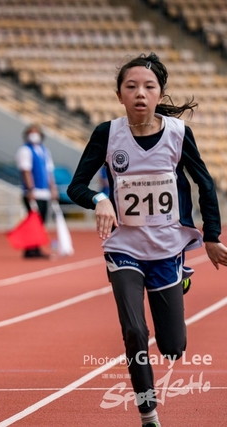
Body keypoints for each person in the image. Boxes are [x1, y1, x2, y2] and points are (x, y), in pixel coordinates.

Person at [67, 52, 227, 427]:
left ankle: (181, 277)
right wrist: (99, 199)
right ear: (120, 95)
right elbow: (76, 186)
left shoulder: (178, 134)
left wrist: (212, 237)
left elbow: (205, 184)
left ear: (159, 94)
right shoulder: (107, 134)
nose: (140, 93)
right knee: (135, 330)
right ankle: (148, 412)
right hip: (123, 246)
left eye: (149, 87)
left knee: (173, 347)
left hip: (167, 247)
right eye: (131, 87)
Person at [15, 123, 59, 258]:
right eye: (31, 132)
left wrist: (53, 188)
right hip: (33, 192)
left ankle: (36, 247)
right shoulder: (25, 150)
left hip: (45, 192)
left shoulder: (45, 151)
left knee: (41, 222)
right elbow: (26, 171)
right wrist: (30, 190)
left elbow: (49, 172)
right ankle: (30, 249)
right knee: (33, 221)